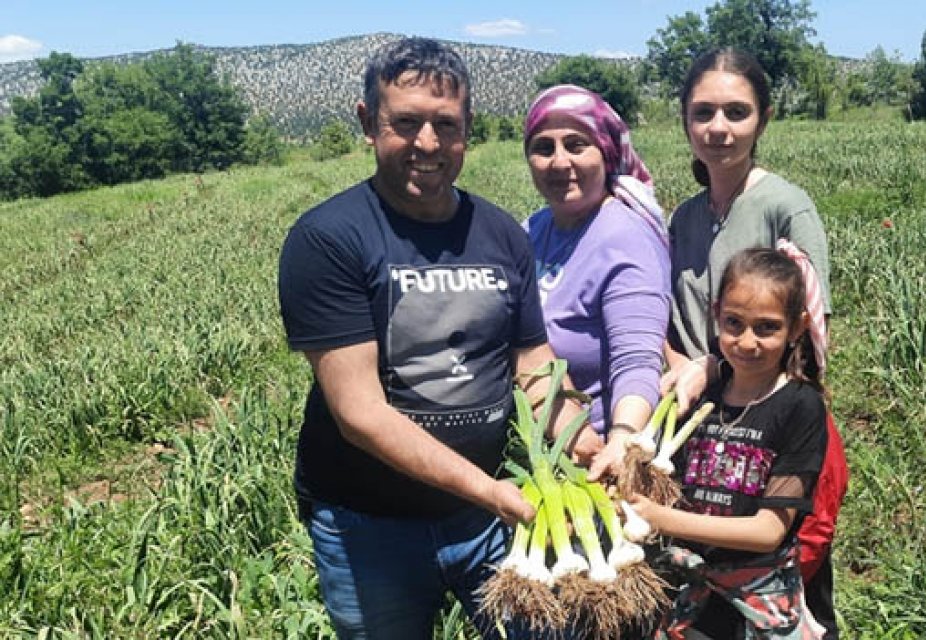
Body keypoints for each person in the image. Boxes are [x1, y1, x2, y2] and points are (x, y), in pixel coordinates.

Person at [277, 37, 596, 639]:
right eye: (406, 123)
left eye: (445, 125)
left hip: (487, 518)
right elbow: (360, 414)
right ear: (369, 124)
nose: (427, 144)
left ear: (467, 130)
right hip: (369, 527)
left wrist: (580, 436)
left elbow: (530, 359)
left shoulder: (501, 233)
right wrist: (489, 491)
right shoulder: (327, 239)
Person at [661, 47, 848, 639]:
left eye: (736, 112)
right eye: (704, 112)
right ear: (686, 120)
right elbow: (670, 322)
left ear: (763, 118)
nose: (718, 128)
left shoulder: (784, 206)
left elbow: (808, 337)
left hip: (768, 432)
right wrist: (681, 375)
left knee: (786, 587)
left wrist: (712, 366)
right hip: (695, 429)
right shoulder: (684, 216)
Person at [629, 248, 829, 639]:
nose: (747, 341)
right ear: (716, 312)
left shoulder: (800, 406)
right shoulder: (702, 397)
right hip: (688, 593)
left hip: (756, 599)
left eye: (767, 327)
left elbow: (768, 531)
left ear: (798, 326)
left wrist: (658, 518)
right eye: (733, 323)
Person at [521, 84, 671, 481]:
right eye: (543, 147)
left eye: (575, 144)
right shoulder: (532, 230)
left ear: (605, 152)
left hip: (594, 459)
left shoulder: (622, 237)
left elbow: (637, 358)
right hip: (538, 450)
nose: (559, 161)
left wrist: (623, 439)